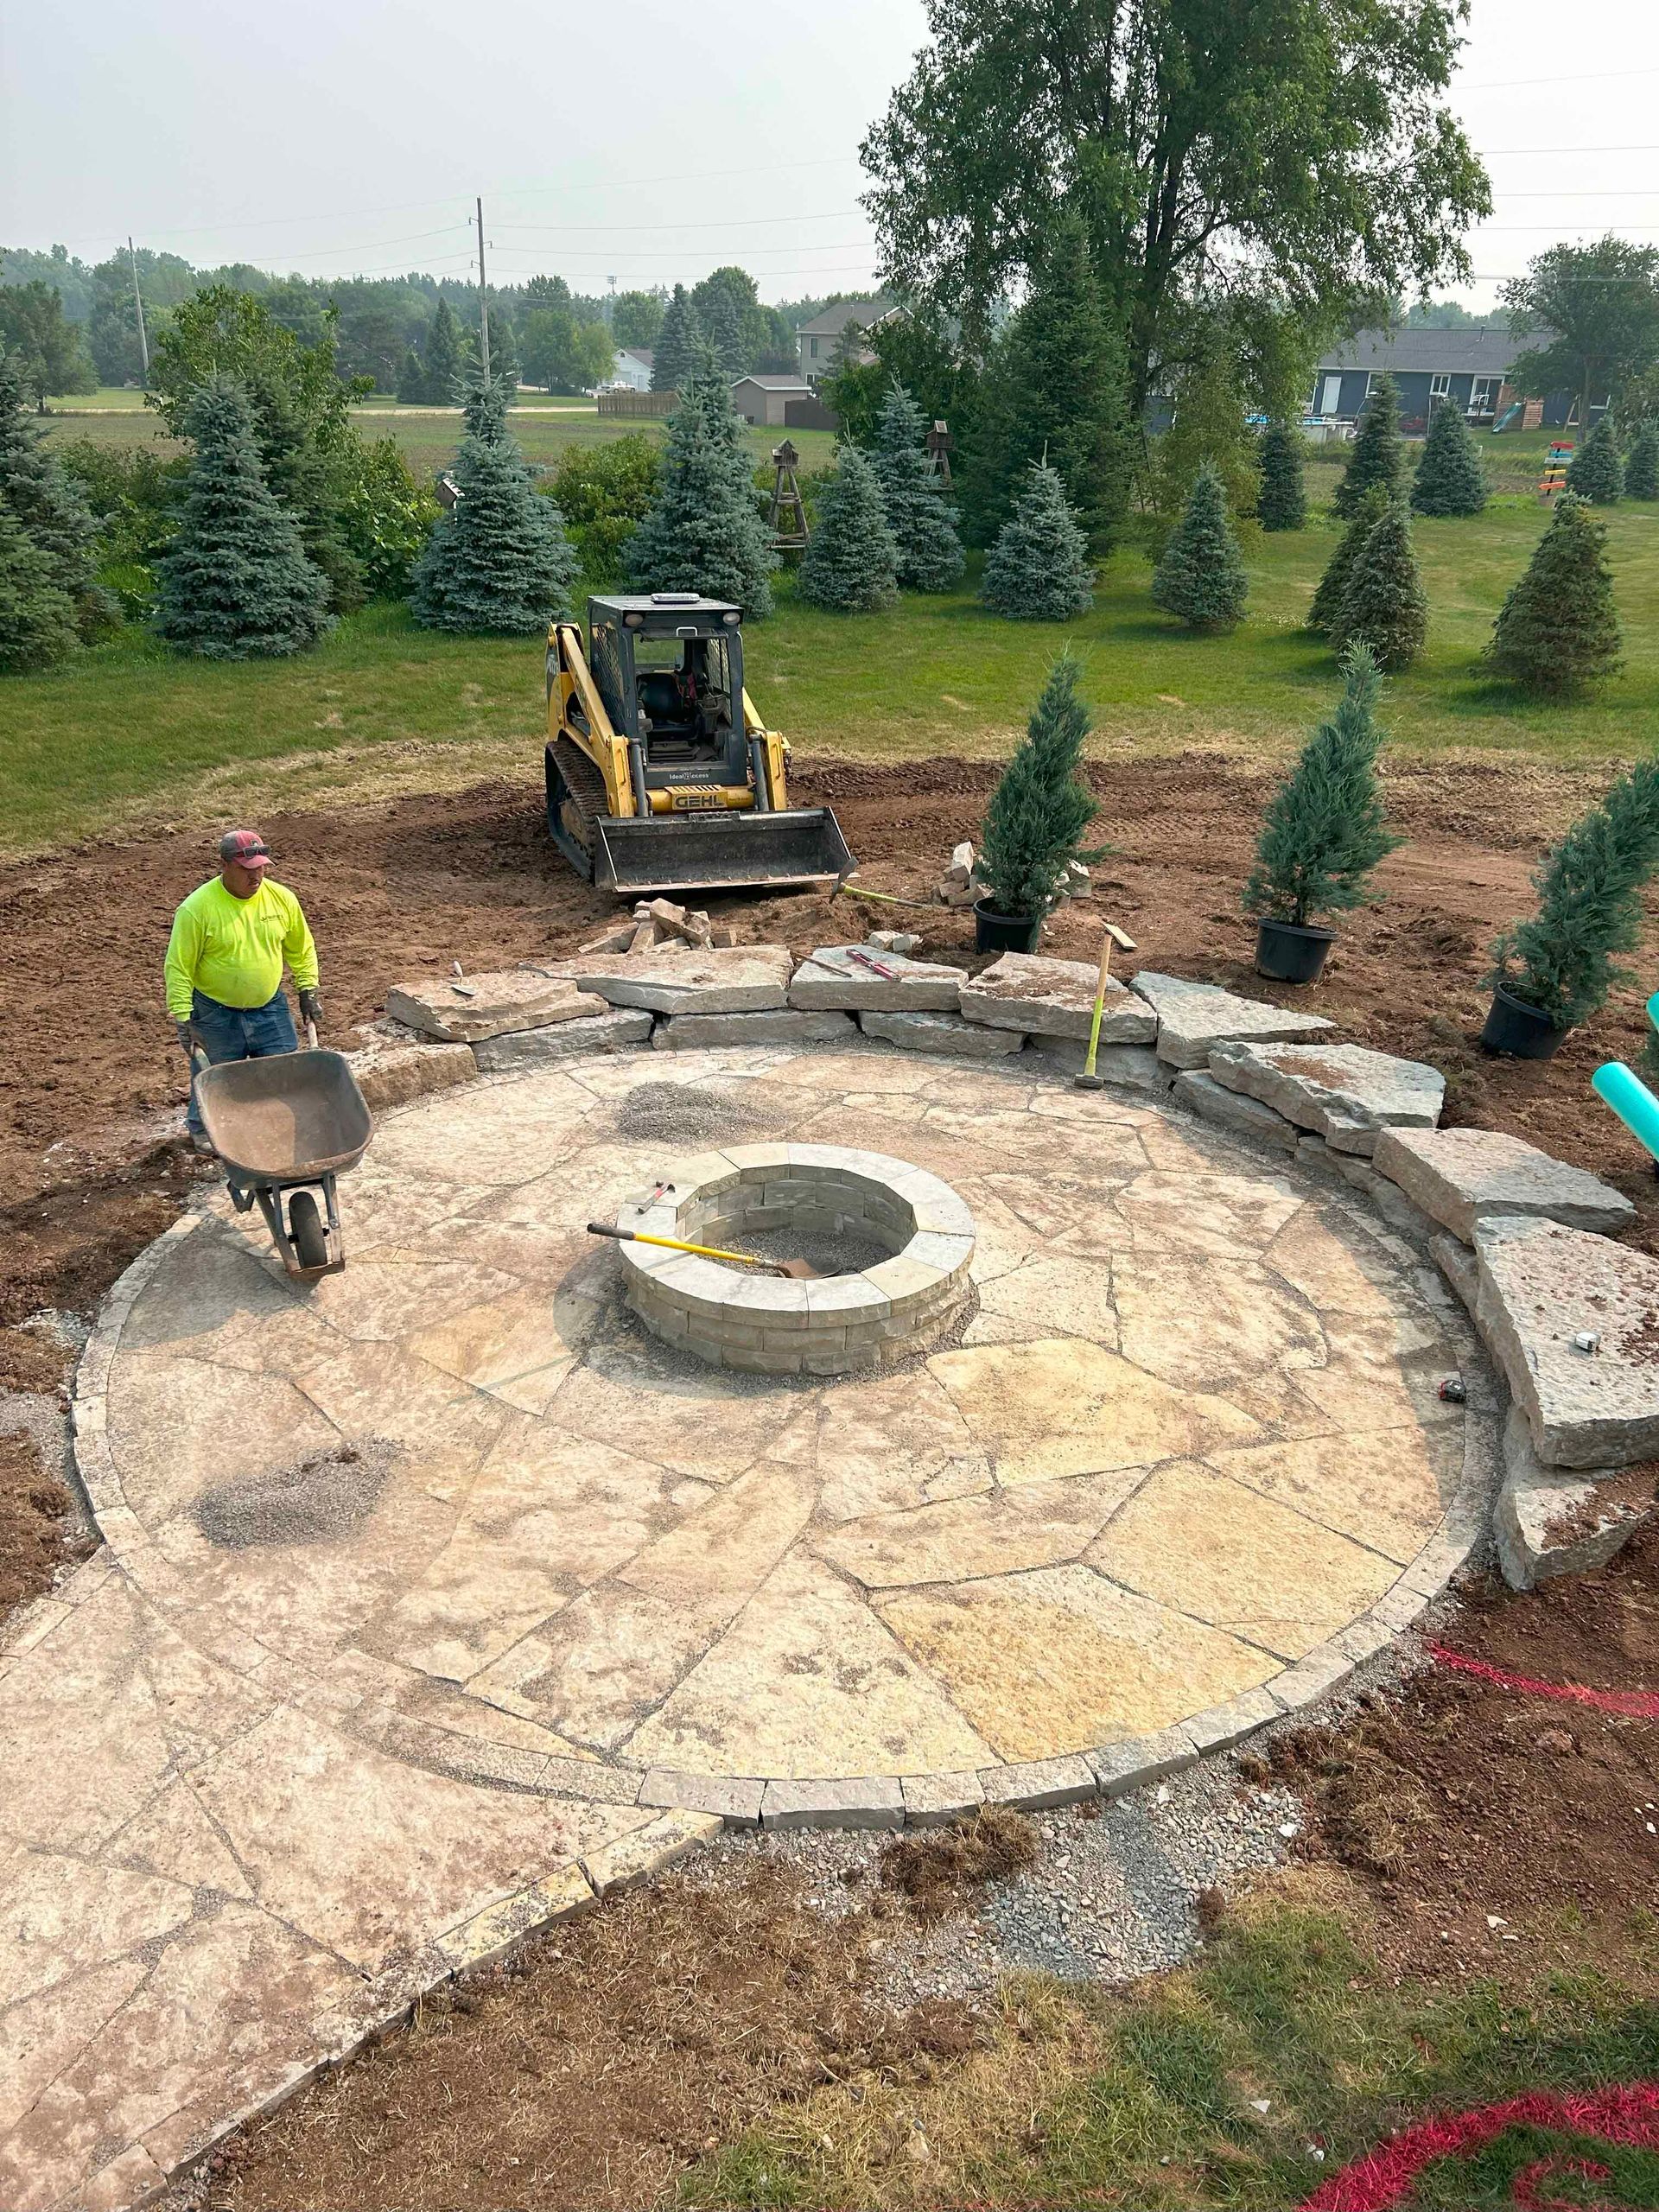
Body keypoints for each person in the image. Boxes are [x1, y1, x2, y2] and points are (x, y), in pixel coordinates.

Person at [164, 830, 322, 1152]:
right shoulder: (197, 909)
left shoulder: (282, 899)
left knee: (282, 1071)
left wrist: (308, 988)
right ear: (224, 865)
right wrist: (183, 1015)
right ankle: (204, 1129)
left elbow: (302, 948)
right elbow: (179, 965)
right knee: (216, 1077)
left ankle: (274, 1126)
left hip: (269, 1006)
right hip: (215, 1012)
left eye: (261, 868)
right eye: (246, 869)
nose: (256, 876)